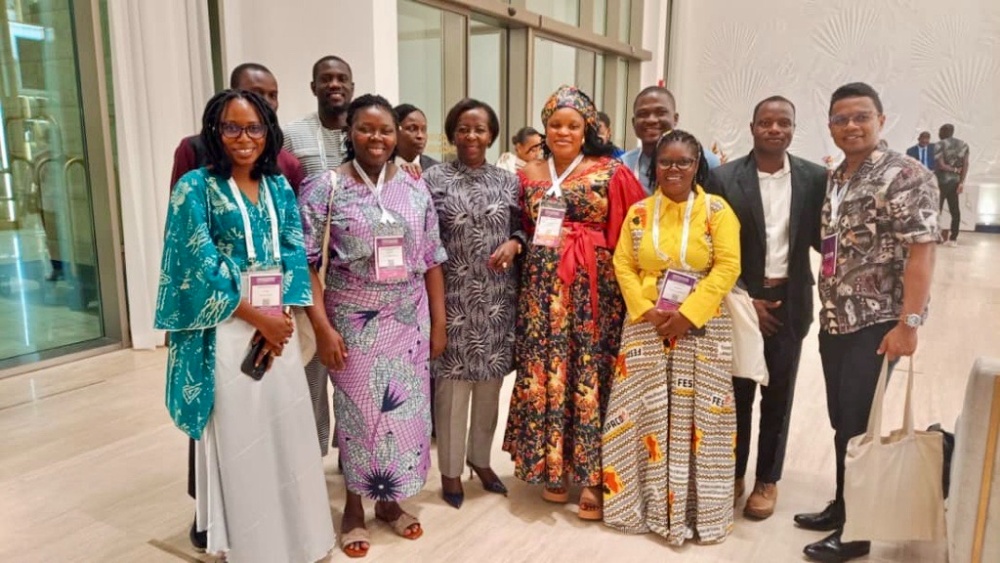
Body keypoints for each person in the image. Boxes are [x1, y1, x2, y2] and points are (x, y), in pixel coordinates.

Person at [155, 89, 334, 562]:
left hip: (279, 327)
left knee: (287, 432)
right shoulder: (195, 187)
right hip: (227, 327)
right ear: (214, 131)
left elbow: (294, 252)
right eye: (231, 127)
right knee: (244, 439)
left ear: (268, 131)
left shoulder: (278, 186)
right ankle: (255, 547)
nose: (243, 138)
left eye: (254, 127)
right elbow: (197, 264)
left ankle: (301, 540)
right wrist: (260, 320)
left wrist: (282, 320)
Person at [298, 94, 447, 558]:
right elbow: (305, 263)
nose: (376, 138)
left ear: (396, 135)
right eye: (365, 128)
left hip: (409, 318)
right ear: (350, 132)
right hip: (353, 320)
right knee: (359, 414)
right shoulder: (326, 188)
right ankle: (353, 508)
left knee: (403, 413)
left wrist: (439, 323)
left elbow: (432, 258)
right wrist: (323, 328)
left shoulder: (415, 188)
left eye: (385, 130)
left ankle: (389, 500)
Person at [796, 82, 938, 563]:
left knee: (858, 422)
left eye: (861, 117)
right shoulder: (837, 177)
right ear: (830, 126)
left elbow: (922, 253)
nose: (851, 126)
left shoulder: (906, 175)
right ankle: (843, 505)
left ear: (881, 120)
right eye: (841, 119)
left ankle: (856, 533)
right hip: (836, 319)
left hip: (878, 323)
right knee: (843, 420)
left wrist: (909, 324)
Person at [502, 85, 645, 521]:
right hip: (540, 294)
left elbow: (633, 230)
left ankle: (594, 476)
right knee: (547, 371)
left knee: (588, 373)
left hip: (592, 294)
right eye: (555, 124)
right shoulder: (528, 172)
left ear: (588, 130)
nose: (563, 132)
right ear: (544, 128)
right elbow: (521, 226)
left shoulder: (611, 171)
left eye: (573, 125)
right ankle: (554, 466)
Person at [602, 129, 740, 545]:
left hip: (702, 327)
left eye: (683, 161)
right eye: (665, 162)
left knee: (701, 421)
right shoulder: (640, 213)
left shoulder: (717, 211)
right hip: (646, 326)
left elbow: (727, 267)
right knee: (636, 415)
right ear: (655, 166)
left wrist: (689, 315)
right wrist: (646, 310)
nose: (674, 169)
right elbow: (623, 263)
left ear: (697, 165)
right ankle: (635, 508)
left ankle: (696, 514)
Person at [705, 96, 827, 520]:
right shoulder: (723, 178)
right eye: (766, 122)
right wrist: (744, 298)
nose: (775, 129)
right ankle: (733, 474)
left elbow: (823, 239)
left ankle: (767, 479)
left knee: (779, 395)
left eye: (784, 122)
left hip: (790, 301)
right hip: (738, 300)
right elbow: (711, 246)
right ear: (752, 127)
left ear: (793, 128)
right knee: (736, 394)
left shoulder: (815, 178)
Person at [424, 98, 523, 509]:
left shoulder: (509, 182)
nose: (471, 136)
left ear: (492, 135)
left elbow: (523, 228)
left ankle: (480, 460)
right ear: (452, 133)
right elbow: (425, 241)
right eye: (463, 128)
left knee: (489, 386)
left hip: (498, 301)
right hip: (452, 300)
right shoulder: (433, 179)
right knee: (452, 390)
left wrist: (515, 243)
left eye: (479, 129)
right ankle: (450, 471)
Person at [282, 55, 355, 456]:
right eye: (326, 79)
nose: (334, 84)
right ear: (313, 87)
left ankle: (351, 454)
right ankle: (313, 455)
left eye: (342, 78)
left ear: (352, 86)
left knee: (351, 367)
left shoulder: (361, 132)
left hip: (352, 269)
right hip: (309, 265)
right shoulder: (292, 135)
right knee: (313, 360)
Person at [169, 63, 305, 192]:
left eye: (273, 95)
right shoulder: (194, 150)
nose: (266, 101)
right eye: (257, 93)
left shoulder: (287, 164)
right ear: (234, 93)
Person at [621, 86, 721, 195]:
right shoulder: (623, 165)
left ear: (675, 119)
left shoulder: (706, 161)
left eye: (660, 113)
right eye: (643, 114)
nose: (651, 120)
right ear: (633, 122)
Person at [934, 123, 969, 247]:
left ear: (943, 132)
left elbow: (941, 165)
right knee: (955, 211)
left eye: (940, 131)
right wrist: (961, 182)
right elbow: (965, 164)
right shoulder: (963, 145)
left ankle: (936, 237)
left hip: (940, 182)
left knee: (936, 210)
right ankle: (953, 239)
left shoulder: (939, 145)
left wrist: (952, 169)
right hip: (955, 182)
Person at [394, 103, 440, 173]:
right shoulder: (380, 167)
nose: (420, 136)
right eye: (412, 129)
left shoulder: (437, 170)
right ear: (394, 131)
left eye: (423, 130)